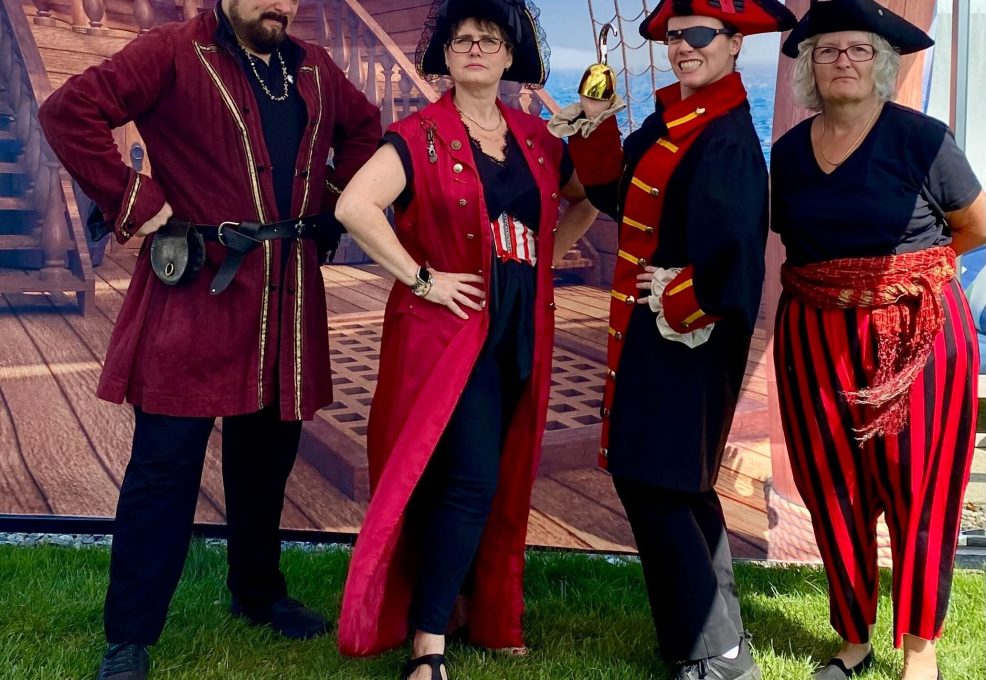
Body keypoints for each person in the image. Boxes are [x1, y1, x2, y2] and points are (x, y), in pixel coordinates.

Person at [38, 0, 381, 677]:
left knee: (266, 462)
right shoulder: (172, 49)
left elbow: (366, 129)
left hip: (284, 298)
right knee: (163, 471)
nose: (277, 3)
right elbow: (67, 113)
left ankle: (257, 593)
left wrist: (334, 201)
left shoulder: (314, 67)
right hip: (196, 294)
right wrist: (138, 202)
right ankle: (129, 637)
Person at [333, 0, 597, 677]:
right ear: (446, 57)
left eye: (488, 39)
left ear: (510, 56)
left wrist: (545, 257)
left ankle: (483, 612)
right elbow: (354, 206)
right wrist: (421, 279)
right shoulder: (417, 136)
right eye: (461, 40)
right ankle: (429, 643)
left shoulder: (537, 137)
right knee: (470, 477)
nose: (474, 49)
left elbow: (589, 194)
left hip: (521, 326)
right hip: (448, 334)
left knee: (497, 471)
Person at [549, 1, 795, 678]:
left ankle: (713, 652)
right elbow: (614, 195)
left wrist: (679, 299)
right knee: (677, 485)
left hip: (690, 335)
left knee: (657, 481)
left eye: (700, 34)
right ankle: (716, 644)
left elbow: (737, 265)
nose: (684, 46)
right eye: (675, 37)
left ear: (734, 43)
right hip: (654, 333)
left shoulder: (727, 137)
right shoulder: (672, 118)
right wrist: (595, 123)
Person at [771, 1, 986, 679]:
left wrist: (906, 279)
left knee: (919, 487)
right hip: (814, 336)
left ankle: (920, 651)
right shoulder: (786, 154)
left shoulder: (923, 140)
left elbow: (975, 225)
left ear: (883, 64)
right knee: (832, 487)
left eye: (859, 49)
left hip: (919, 334)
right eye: (828, 51)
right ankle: (853, 640)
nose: (843, 62)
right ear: (809, 68)